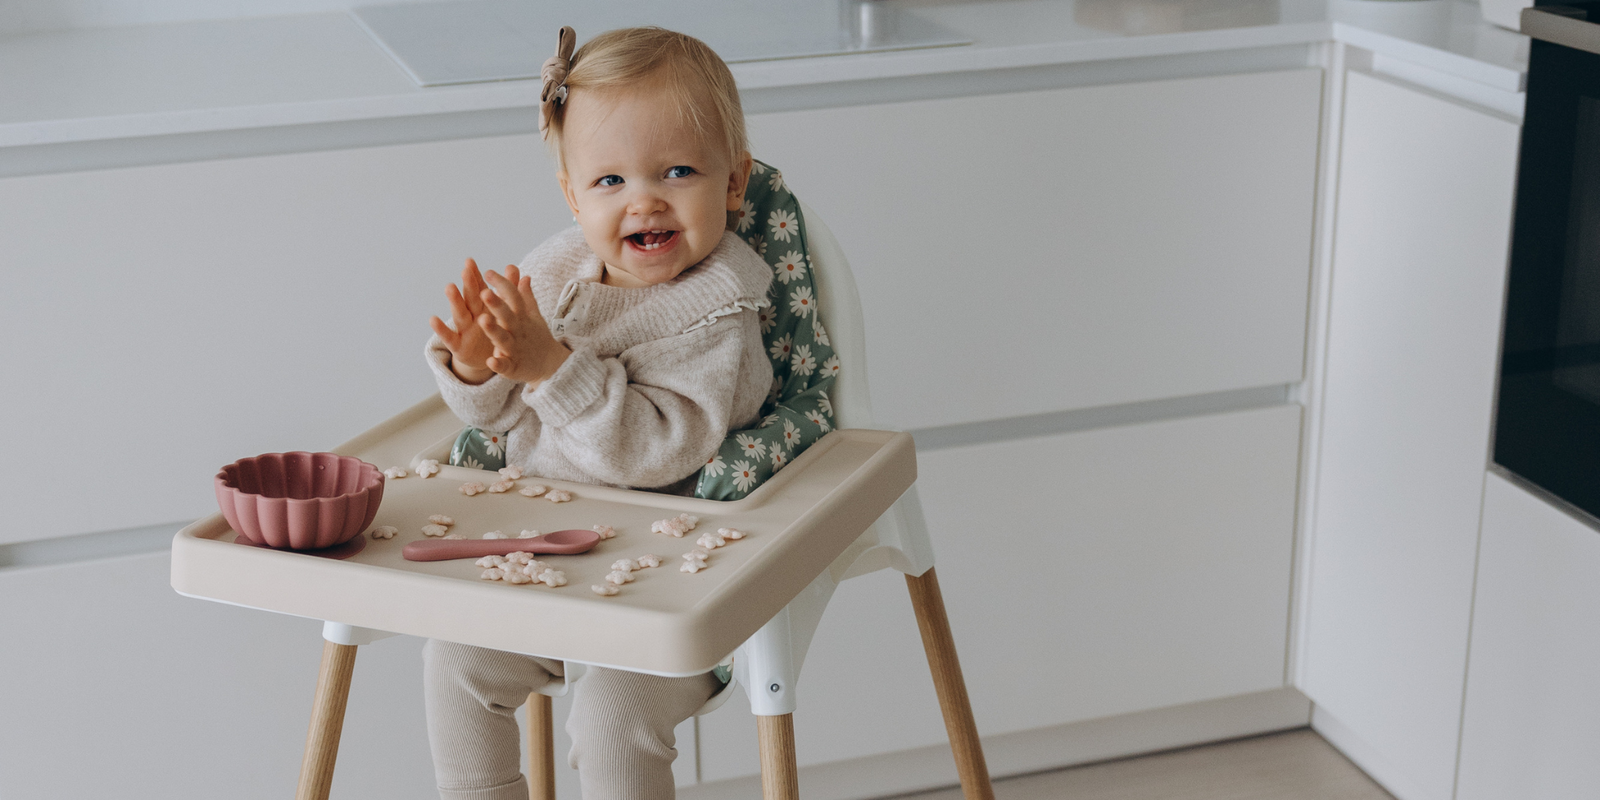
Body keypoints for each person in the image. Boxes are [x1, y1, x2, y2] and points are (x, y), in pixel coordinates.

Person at [420, 25, 773, 800]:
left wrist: (554, 366)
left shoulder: (719, 313)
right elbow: (505, 419)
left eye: (678, 171)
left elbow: (657, 452)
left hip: (682, 582)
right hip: (550, 552)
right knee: (455, 659)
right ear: (572, 195)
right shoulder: (555, 276)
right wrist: (481, 368)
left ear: (733, 183)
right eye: (609, 181)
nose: (643, 199)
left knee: (611, 717)